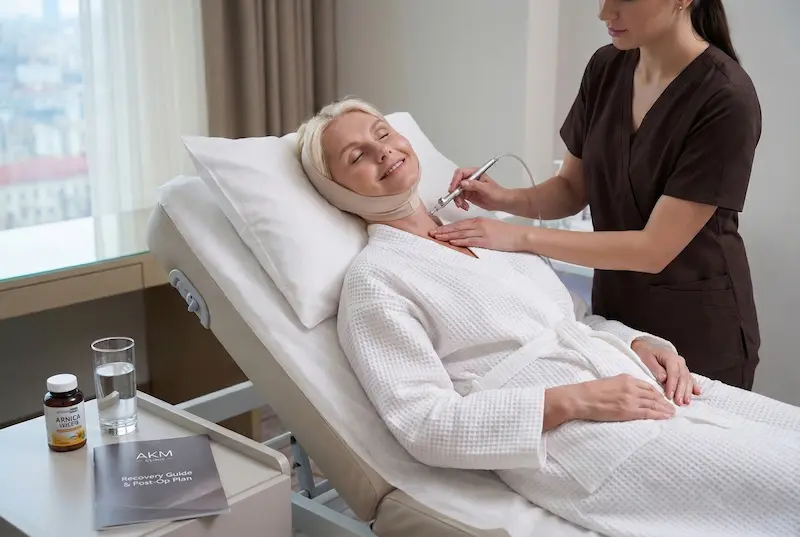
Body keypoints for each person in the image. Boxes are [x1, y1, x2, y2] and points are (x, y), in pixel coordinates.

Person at [295, 97, 799, 537]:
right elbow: (427, 424)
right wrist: (577, 399)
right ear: (335, 190)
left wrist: (642, 344)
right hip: (576, 437)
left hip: (630, 379)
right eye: (356, 155)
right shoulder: (375, 280)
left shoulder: (483, 234)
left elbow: (579, 321)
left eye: (382, 133)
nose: (381, 149)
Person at [430, 0, 762, 391]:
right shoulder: (607, 67)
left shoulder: (725, 98)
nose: (605, 13)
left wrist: (518, 236)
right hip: (618, 318)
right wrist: (504, 199)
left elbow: (654, 249)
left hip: (696, 326)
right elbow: (572, 189)